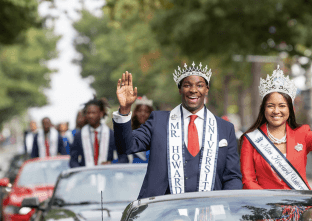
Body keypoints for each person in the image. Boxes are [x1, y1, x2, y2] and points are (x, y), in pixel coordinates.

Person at [113, 62, 243, 199]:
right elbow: (126, 146)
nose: (193, 90)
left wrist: (226, 204)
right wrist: (125, 110)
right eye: (187, 85)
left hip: (210, 211)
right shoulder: (159, 121)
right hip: (165, 210)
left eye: (199, 85)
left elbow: (232, 176)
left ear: (207, 89)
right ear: (180, 89)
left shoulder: (224, 128)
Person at [240, 66, 312, 190]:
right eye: (270, 106)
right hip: (266, 204)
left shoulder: (302, 134)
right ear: (263, 108)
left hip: (299, 203)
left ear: (290, 109)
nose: (276, 111)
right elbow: (248, 180)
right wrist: (270, 202)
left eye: (282, 106)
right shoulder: (251, 139)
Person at [69, 98, 128, 167]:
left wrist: (112, 165)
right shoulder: (79, 136)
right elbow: (73, 160)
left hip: (107, 175)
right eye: (88, 113)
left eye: (93, 113)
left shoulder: (112, 135)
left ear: (101, 113)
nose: (90, 116)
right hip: (86, 175)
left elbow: (124, 159)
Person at [129, 96, 154, 163]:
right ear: (135, 113)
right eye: (140, 111)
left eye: (146, 111)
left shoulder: (156, 134)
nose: (143, 114)